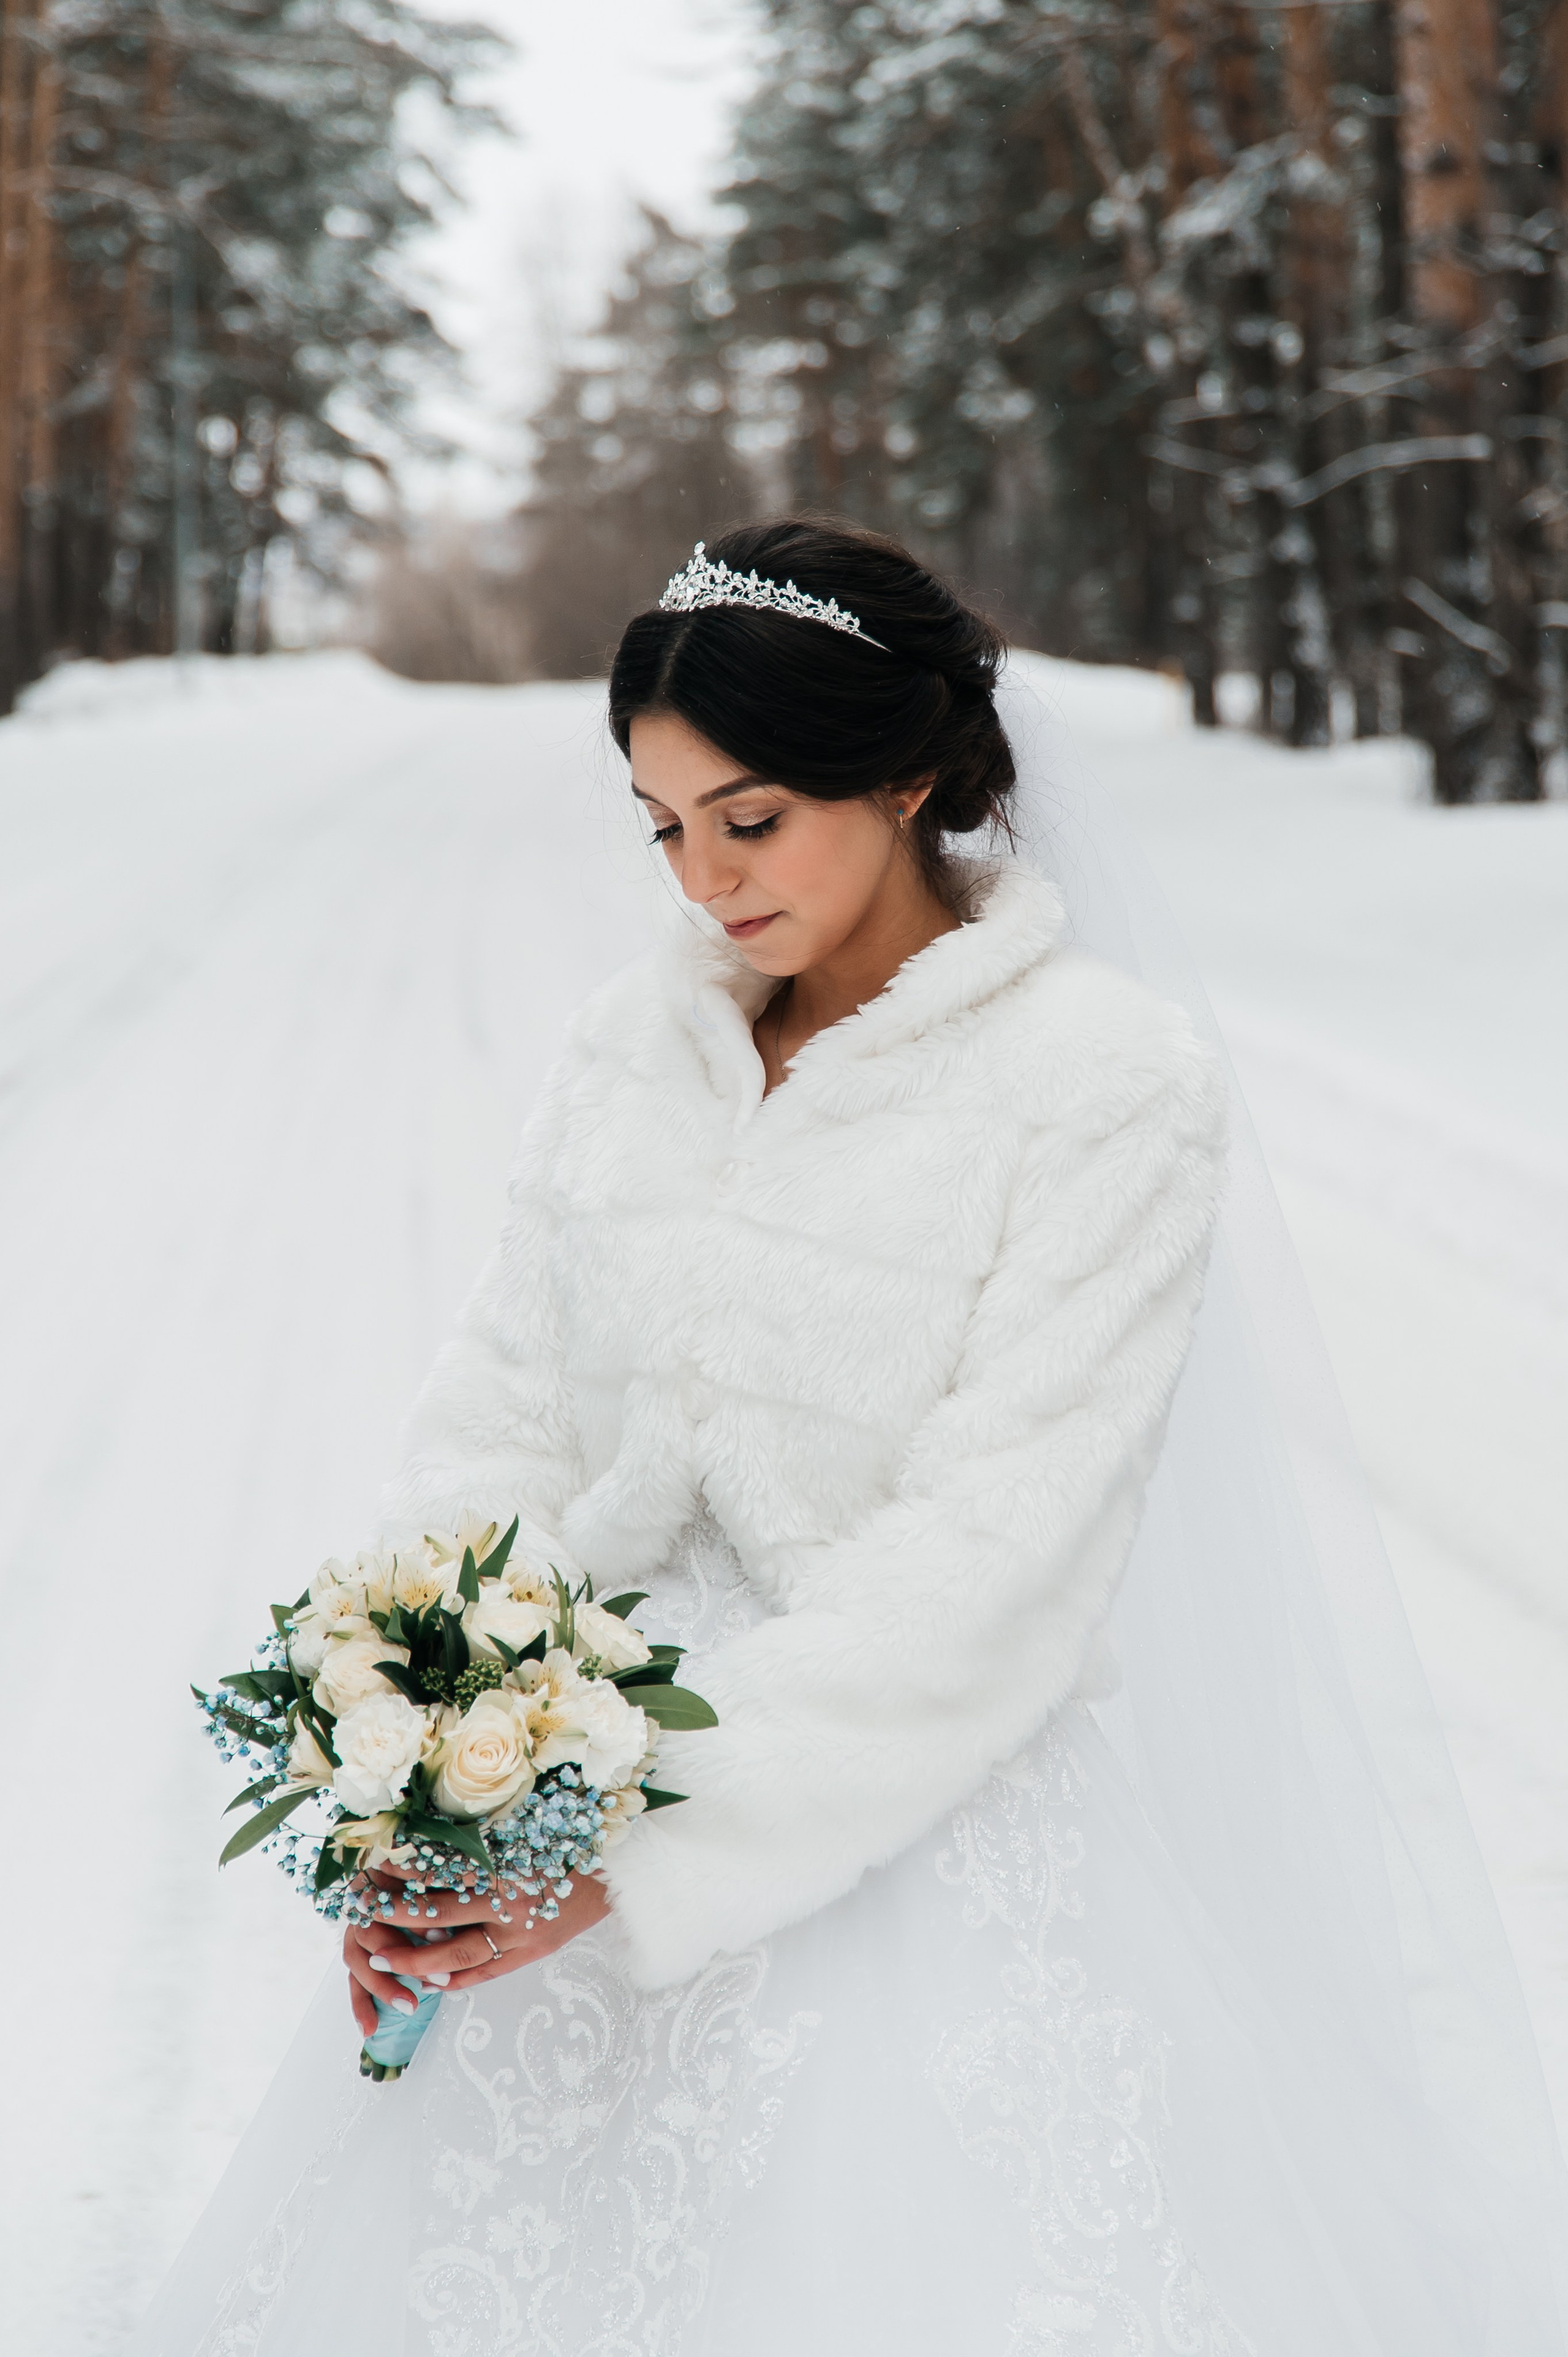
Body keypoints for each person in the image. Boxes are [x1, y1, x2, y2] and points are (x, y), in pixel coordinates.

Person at [135, 520, 1567, 2356]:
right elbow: (498, 1406)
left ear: (904, 774)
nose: (703, 880)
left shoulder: (1100, 1083)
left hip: (907, 1841)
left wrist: (641, 1854)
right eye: (663, 828)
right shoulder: (625, 1053)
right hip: (559, 1812)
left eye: (749, 818)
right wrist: (436, 1761)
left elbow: (998, 1552)